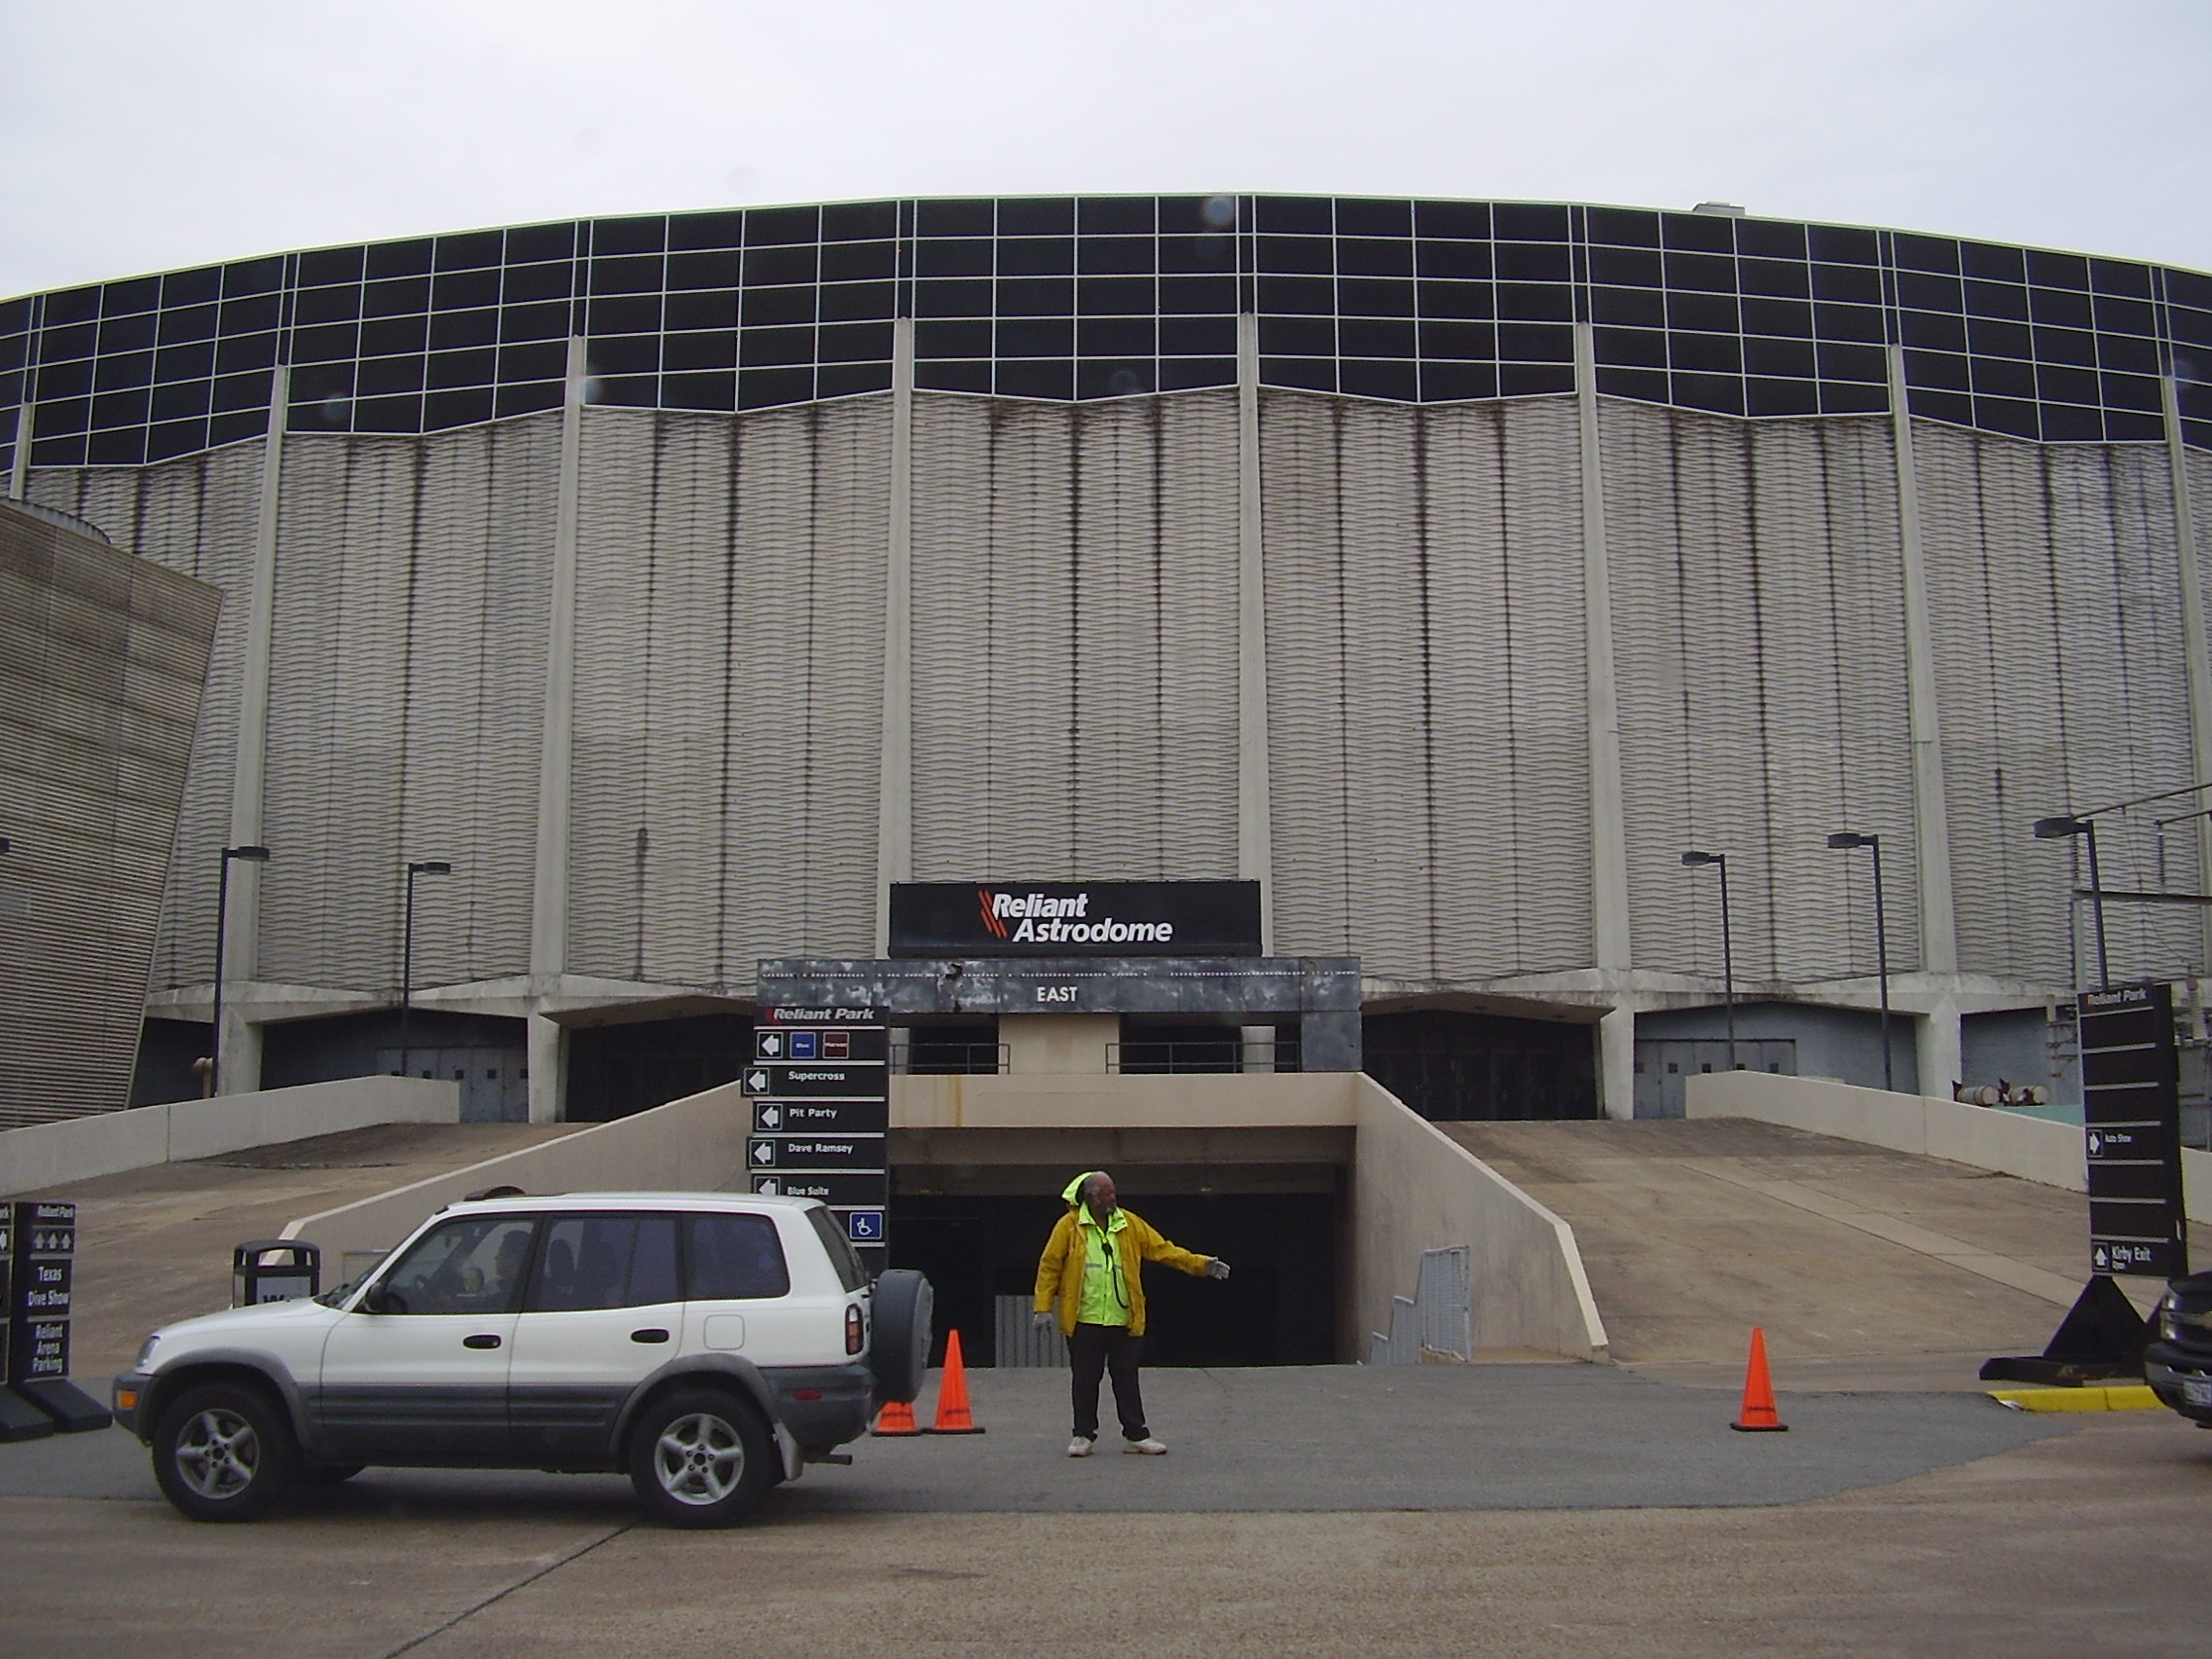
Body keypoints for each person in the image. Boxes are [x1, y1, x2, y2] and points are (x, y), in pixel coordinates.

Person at [1032, 1170, 1230, 1456]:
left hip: (1124, 1317)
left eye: (1113, 1192)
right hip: (1085, 1319)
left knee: (1126, 1378)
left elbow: (1162, 1250)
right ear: (1091, 1197)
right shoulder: (1069, 1227)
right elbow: (1049, 1266)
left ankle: (1136, 1435)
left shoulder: (1129, 1223)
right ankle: (1082, 1435)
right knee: (1086, 1378)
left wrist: (1200, 1264)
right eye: (1106, 1193)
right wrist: (1042, 1307)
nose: (1113, 1198)